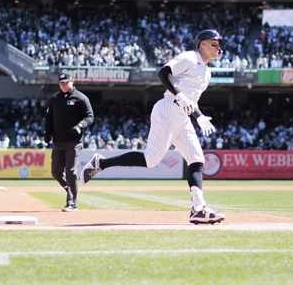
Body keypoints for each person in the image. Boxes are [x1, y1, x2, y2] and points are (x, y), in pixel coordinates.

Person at [80, 29, 226, 224]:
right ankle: (101, 163)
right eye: (213, 43)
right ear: (201, 44)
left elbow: (192, 101)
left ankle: (198, 208)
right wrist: (180, 95)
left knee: (197, 159)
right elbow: (164, 72)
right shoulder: (191, 58)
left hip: (182, 117)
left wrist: (199, 117)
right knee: (151, 160)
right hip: (168, 109)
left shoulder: (207, 72)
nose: (218, 47)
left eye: (219, 44)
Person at [45, 72, 94, 212]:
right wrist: (46, 133)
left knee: (71, 172)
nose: (63, 85)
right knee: (55, 172)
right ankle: (69, 189)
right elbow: (48, 118)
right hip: (57, 141)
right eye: (60, 83)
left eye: (65, 82)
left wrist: (80, 126)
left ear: (72, 81)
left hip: (74, 142)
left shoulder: (81, 98)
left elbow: (90, 116)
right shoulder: (54, 99)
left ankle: (72, 204)